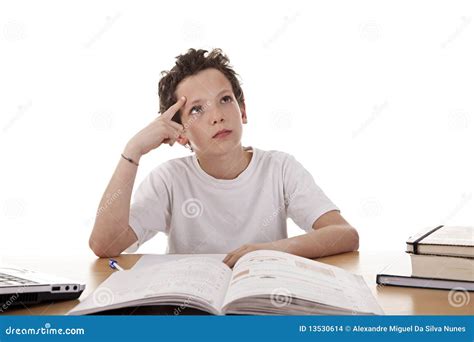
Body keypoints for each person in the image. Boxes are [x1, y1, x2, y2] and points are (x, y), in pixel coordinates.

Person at [89, 48, 359, 268]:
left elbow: (344, 234)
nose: (216, 115)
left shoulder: (279, 169)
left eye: (225, 100)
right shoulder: (169, 179)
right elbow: (105, 245)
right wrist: (132, 151)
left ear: (243, 111)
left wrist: (269, 251)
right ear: (179, 133)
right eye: (196, 109)